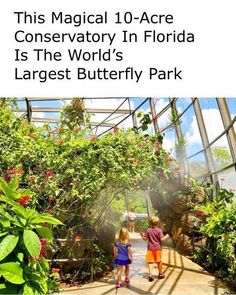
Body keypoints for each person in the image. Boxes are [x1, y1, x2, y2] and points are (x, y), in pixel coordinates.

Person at [140, 216, 169, 282]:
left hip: (150, 248)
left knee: (150, 262)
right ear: (158, 223)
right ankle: (161, 274)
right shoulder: (159, 230)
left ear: (150, 223)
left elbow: (145, 239)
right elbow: (162, 239)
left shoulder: (148, 230)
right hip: (158, 248)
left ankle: (150, 275)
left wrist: (142, 236)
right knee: (159, 261)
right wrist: (167, 236)